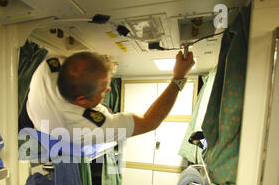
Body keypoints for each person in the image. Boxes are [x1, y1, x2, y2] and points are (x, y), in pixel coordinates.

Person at [25, 50, 195, 144]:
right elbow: (150, 122)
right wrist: (179, 78)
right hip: (56, 132)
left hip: (37, 114)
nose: (108, 91)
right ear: (82, 100)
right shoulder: (88, 128)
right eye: (103, 91)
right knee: (109, 112)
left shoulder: (48, 66)